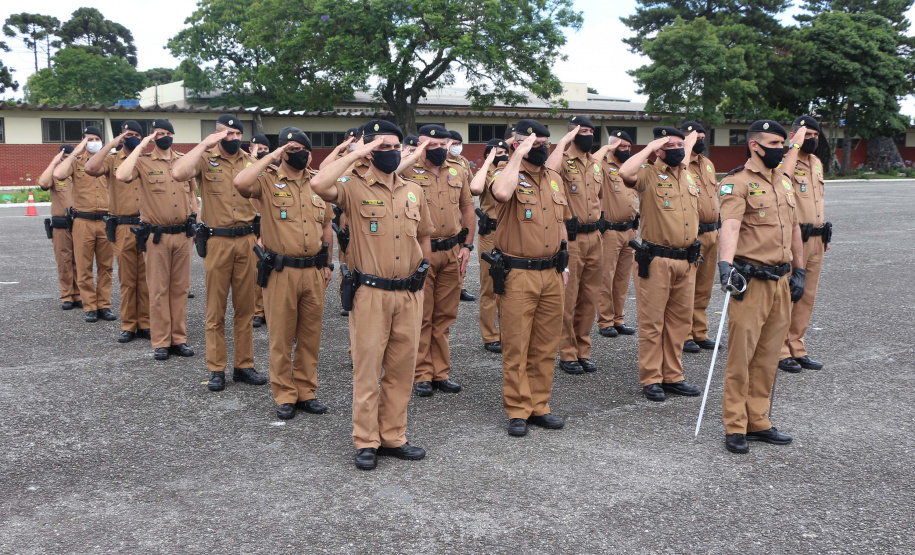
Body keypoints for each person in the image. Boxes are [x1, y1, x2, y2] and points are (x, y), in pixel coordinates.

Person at [310, 119, 433, 470]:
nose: (390, 152)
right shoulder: (352, 186)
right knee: (367, 371)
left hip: (408, 292)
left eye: (394, 146)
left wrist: (423, 273)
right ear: (367, 151)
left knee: (401, 369)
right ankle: (366, 440)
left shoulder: (413, 190)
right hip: (371, 293)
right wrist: (359, 152)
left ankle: (394, 436)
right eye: (381, 147)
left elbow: (423, 234)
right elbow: (319, 182)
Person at [717, 119, 806, 454]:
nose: (780, 149)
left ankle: (759, 420)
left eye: (782, 144)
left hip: (782, 281)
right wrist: (726, 266)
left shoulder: (783, 182)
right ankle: (735, 426)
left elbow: (795, 227)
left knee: (769, 356)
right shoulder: (736, 182)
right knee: (741, 357)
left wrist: (801, 271)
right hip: (751, 281)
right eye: (773, 144)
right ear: (754, 145)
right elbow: (731, 226)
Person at [235, 126, 332, 419]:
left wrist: (327, 262)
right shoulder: (266, 181)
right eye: (290, 150)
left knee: (310, 335)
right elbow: (241, 182)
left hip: (313, 269)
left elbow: (326, 225)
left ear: (309, 152)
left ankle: (306, 391)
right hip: (281, 270)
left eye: (301, 149)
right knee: (281, 336)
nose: (297, 154)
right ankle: (285, 394)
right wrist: (272, 157)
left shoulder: (317, 183)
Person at [172, 114, 267, 392]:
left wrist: (263, 235)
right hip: (218, 241)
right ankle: (216, 368)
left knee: (246, 308)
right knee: (216, 309)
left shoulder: (250, 162)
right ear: (217, 135)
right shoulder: (205, 159)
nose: (233, 138)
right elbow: (178, 173)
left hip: (248, 240)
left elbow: (264, 198)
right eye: (227, 133)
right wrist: (205, 144)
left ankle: (244, 366)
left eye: (237, 133)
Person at [489, 119, 570, 437]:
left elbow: (561, 222)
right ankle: (518, 409)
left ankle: (540, 405)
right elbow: (500, 192)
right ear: (516, 142)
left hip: (551, 272)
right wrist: (517, 154)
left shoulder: (553, 178)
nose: (543, 147)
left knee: (546, 344)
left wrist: (565, 265)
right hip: (517, 274)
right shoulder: (506, 173)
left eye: (546, 143)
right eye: (535, 142)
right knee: (517, 344)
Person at [619, 127, 703, 402]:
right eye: (672, 145)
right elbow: (625, 173)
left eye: (681, 144)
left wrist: (685, 146)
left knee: (679, 323)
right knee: (653, 322)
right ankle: (652, 378)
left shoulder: (688, 174)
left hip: (687, 260)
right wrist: (650, 147)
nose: (679, 149)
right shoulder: (649, 174)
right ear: (659, 149)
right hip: (657, 260)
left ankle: (673, 376)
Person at [400, 124, 475, 397]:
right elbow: (388, 174)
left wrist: (467, 245)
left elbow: (467, 207)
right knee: (422, 316)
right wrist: (413, 153)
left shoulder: (457, 170)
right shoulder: (407, 170)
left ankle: (440, 372)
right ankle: (421, 373)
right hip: (421, 252)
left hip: (452, 251)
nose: (439, 149)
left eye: (442, 144)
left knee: (444, 316)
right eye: (431, 144)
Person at [115, 119, 198, 361]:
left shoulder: (184, 161)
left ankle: (179, 339)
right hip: (156, 236)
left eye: (166, 133)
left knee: (180, 290)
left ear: (172, 135)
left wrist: (195, 222)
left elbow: (192, 194)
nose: (162, 136)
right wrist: (141, 146)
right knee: (159, 290)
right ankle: (161, 341)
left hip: (183, 234)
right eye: (157, 133)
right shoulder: (142, 162)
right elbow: (121, 174)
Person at [84, 120, 151, 343]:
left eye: (134, 134)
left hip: (147, 225)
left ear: (141, 138)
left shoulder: (148, 160)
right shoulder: (112, 159)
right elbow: (91, 168)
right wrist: (111, 144)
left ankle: (145, 323)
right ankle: (129, 325)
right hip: (123, 226)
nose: (130, 137)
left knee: (147, 279)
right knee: (128, 279)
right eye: (126, 134)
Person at [778, 116, 829, 373]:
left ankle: (797, 346)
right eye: (806, 135)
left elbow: (818, 200)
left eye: (815, 135)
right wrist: (794, 147)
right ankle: (781, 350)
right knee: (789, 295)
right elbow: (783, 179)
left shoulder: (816, 163)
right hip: (794, 241)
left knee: (806, 297)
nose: (812, 139)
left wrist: (824, 235)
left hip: (817, 239)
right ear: (794, 135)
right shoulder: (785, 160)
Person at [52, 126, 115, 323]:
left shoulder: (108, 161)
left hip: (105, 220)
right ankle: (90, 306)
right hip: (83, 221)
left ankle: (104, 305)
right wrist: (75, 153)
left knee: (106, 267)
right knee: (84, 266)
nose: (93, 142)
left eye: (97, 138)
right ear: (82, 141)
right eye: (89, 139)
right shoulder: (76, 161)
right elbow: (59, 175)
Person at [555, 116, 604, 375]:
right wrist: (564, 142)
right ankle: (568, 352)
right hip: (571, 238)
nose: (586, 135)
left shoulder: (596, 165)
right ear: (572, 133)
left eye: (589, 131)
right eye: (581, 131)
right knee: (569, 298)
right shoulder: (562, 160)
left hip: (595, 236)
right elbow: (550, 170)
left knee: (589, 297)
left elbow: (599, 199)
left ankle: (583, 350)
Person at [680, 121, 720, 353]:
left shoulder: (707, 164)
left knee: (704, 287)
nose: (701, 141)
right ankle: (684, 333)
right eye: (696, 137)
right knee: (687, 287)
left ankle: (699, 331)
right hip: (693, 235)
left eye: (703, 137)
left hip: (712, 232)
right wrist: (686, 148)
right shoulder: (680, 164)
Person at [469, 138, 510, 353]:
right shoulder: (484, 173)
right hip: (490, 233)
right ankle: (490, 335)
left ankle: (508, 333)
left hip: (510, 233)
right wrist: (489, 161)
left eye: (504, 150)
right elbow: (475, 189)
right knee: (489, 287)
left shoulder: (512, 170)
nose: (501, 153)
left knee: (510, 287)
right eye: (496, 151)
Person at [596, 130, 638, 338]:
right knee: (606, 277)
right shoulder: (603, 165)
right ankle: (605, 321)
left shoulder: (630, 167)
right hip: (610, 230)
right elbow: (591, 165)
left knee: (623, 278)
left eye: (628, 147)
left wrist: (636, 220)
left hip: (628, 230)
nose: (626, 150)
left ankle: (618, 319)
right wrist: (605, 150)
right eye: (621, 147)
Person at [37, 145, 81, 311]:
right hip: (61, 225)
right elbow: (43, 182)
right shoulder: (56, 176)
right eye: (63, 157)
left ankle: (79, 295)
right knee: (64, 262)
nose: (67, 160)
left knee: (80, 262)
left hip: (80, 223)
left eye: (70, 156)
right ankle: (67, 295)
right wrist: (54, 162)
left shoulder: (80, 175)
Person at [447, 130, 477, 303]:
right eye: (454, 143)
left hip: (463, 212)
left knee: (462, 252)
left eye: (459, 143)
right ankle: (451, 286)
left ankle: (461, 286)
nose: (457, 147)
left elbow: (472, 185)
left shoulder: (464, 161)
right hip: (448, 215)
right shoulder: (441, 161)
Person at [249, 133, 271, 328]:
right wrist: (252, 159)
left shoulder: (274, 171)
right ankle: (258, 311)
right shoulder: (248, 169)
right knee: (258, 271)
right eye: (258, 149)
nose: (262, 152)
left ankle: (269, 308)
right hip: (253, 226)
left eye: (265, 149)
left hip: (272, 226)